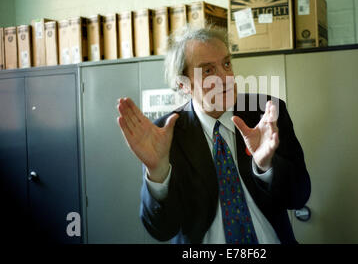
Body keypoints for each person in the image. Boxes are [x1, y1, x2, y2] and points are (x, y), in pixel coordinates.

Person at [116, 25, 310, 244]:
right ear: (183, 84)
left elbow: (299, 196)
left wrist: (267, 167)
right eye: (208, 70)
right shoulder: (164, 134)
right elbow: (162, 231)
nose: (225, 77)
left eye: (226, 64)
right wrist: (158, 173)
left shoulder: (266, 112)